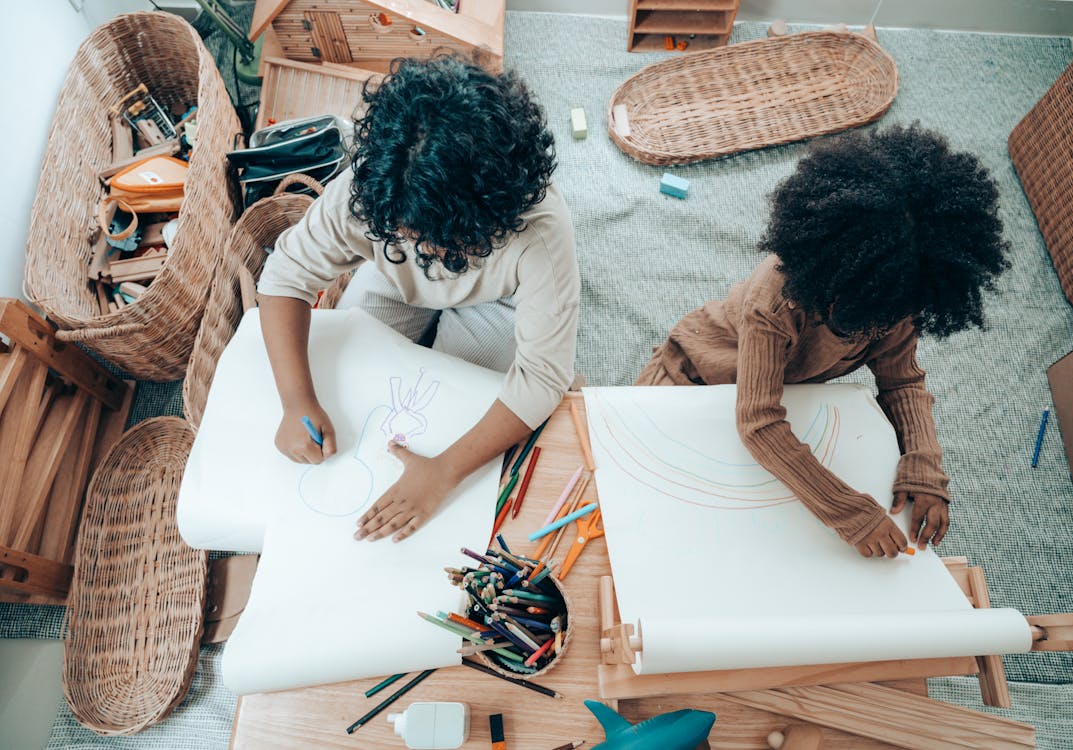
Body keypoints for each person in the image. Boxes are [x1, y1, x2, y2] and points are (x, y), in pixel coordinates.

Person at [636, 124, 1010, 558]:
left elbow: (902, 382)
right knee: (651, 495)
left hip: (790, 393)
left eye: (889, 320)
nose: (880, 330)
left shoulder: (898, 298)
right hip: (697, 373)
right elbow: (758, 422)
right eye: (861, 321)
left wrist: (924, 462)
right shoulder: (774, 302)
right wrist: (847, 511)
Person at [256, 55, 578, 544]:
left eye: (444, 245)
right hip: (393, 279)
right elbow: (284, 276)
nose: (428, 255)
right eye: (410, 237)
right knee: (365, 374)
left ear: (496, 214)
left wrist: (444, 471)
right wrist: (295, 399)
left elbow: (541, 379)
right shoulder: (374, 191)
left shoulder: (540, 235)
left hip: (499, 300)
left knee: (458, 410)